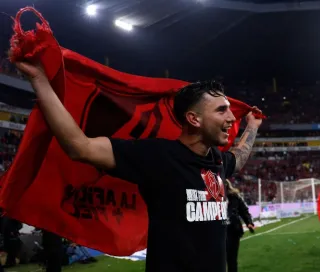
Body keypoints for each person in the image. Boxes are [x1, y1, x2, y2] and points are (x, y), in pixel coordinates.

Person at [13, 60, 262, 272]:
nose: (231, 118)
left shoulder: (217, 160)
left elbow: (238, 157)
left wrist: (252, 126)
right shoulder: (158, 156)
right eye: (222, 111)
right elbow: (80, 147)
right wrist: (40, 81)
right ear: (193, 119)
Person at [225, 179, 255, 272]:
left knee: (232, 260)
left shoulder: (235, 197)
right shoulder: (211, 196)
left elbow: (244, 211)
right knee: (217, 260)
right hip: (218, 232)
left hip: (233, 231)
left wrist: (249, 222)